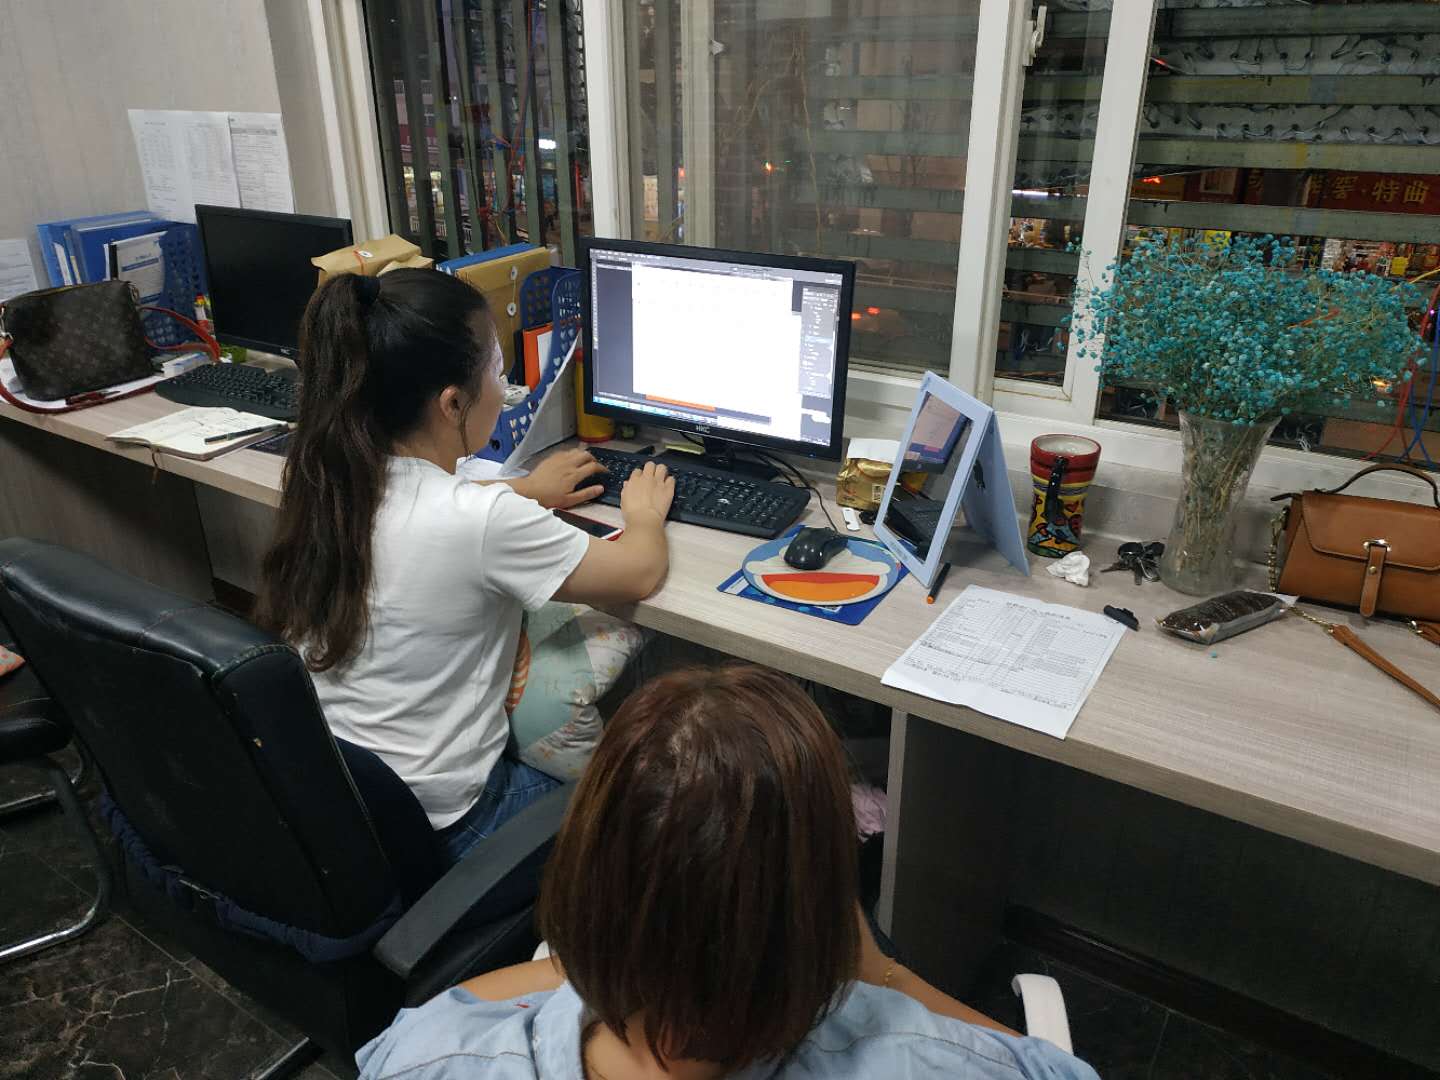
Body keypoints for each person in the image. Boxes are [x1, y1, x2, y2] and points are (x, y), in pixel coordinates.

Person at [356, 665, 1101, 1079]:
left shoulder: (433, 1057)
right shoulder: (922, 1060)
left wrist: (599, 962)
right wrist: (883, 971)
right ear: (817, 919)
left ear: (587, 879)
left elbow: (428, 1023)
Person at [255, 269, 674, 865]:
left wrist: (525, 490)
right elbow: (637, 573)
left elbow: (437, 515)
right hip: (448, 825)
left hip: (335, 803)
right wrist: (645, 514)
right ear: (452, 402)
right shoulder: (480, 520)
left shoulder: (331, 482)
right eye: (498, 373)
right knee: (643, 815)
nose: (504, 390)